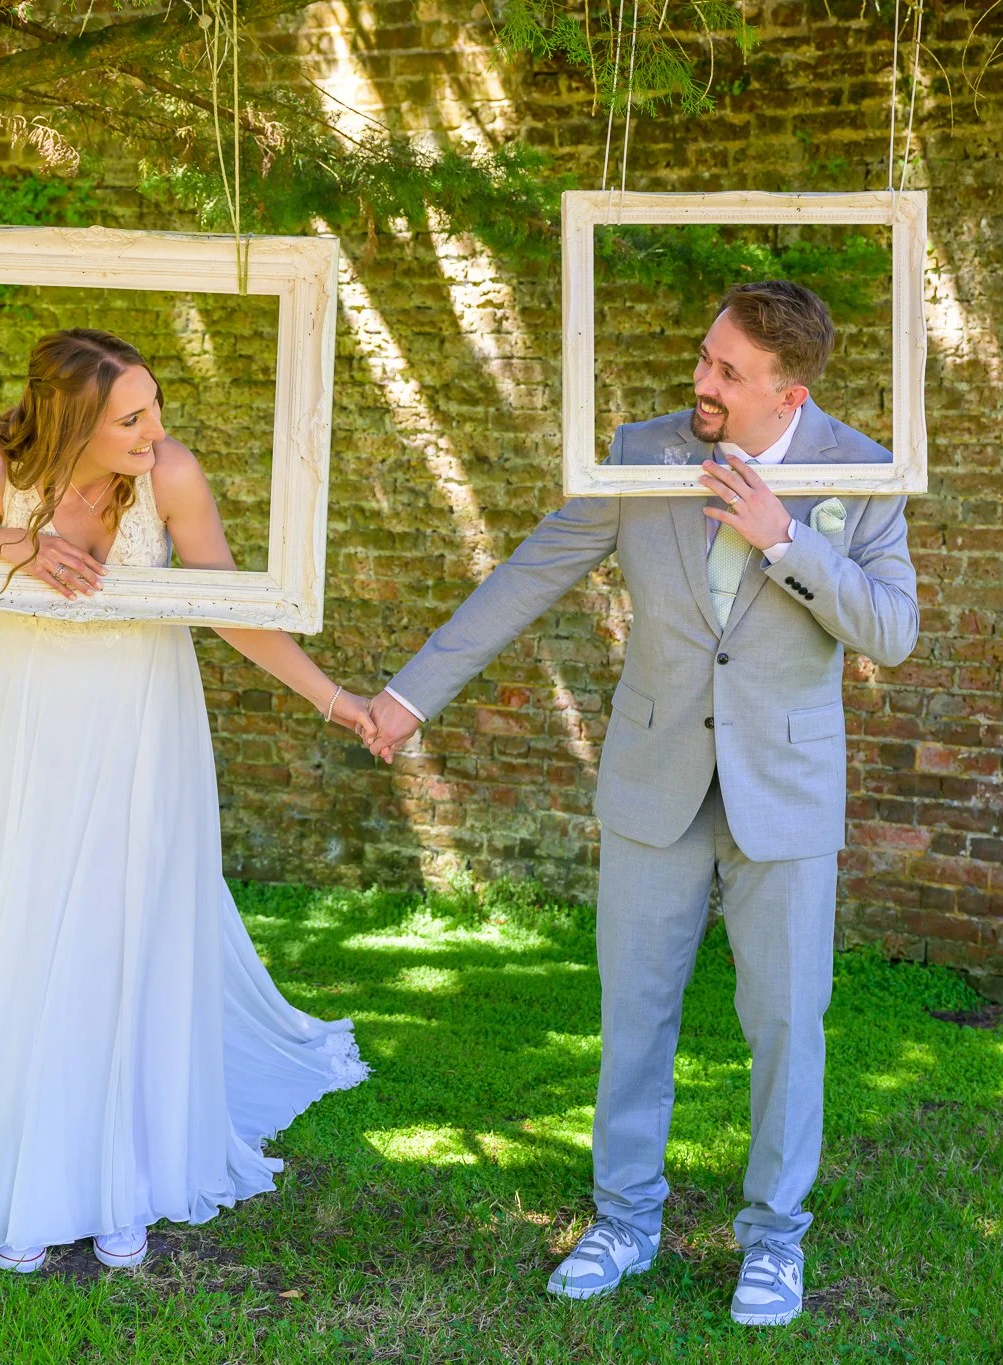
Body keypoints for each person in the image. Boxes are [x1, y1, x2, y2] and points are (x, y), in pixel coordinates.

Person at [362, 282, 919, 1326]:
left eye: (726, 373)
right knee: (633, 1014)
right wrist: (406, 699)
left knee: (786, 1023)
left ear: (786, 391)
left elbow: (890, 631)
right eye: (702, 357)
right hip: (653, 779)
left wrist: (783, 542)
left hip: (785, 791)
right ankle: (622, 1219)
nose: (699, 382)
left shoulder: (863, 467)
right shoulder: (641, 450)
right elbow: (526, 578)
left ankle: (773, 1242)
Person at [0, 328, 373, 1273]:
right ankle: (19, 1164)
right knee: (19, 917)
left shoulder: (170, 477)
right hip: (26, 715)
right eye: (131, 416)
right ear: (72, 419)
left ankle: (120, 1173)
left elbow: (227, 601)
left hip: (144, 715)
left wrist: (338, 701)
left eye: (156, 407)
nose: (156, 430)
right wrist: (13, 544)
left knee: (124, 922)